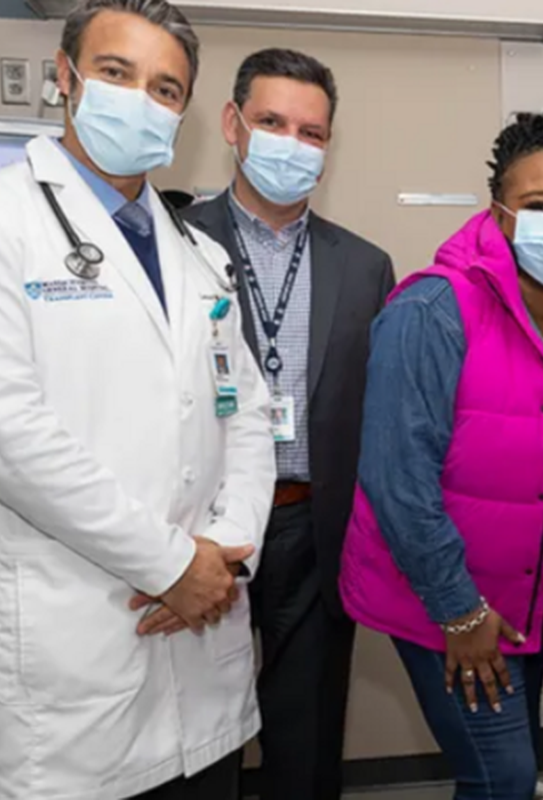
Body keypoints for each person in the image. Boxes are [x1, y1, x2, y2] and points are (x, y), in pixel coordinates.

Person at [340, 109, 543, 799]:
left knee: (508, 773)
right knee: (505, 777)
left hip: (532, 604)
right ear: (499, 213)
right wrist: (460, 612)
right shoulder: (432, 311)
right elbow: (398, 481)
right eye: (540, 205)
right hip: (443, 603)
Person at [0, 1, 276, 799]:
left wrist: (224, 553)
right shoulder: (12, 224)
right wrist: (166, 564)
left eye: (165, 87)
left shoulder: (200, 254)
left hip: (203, 645)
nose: (141, 101)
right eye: (117, 74)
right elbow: (14, 435)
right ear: (65, 76)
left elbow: (247, 415)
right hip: (80, 655)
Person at [182, 48, 395, 800]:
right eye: (272, 122)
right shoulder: (177, 242)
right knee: (192, 732)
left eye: (311, 132)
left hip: (314, 528)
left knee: (304, 742)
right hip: (200, 530)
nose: (291, 144)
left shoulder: (365, 266)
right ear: (233, 126)